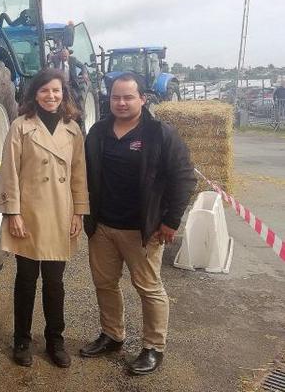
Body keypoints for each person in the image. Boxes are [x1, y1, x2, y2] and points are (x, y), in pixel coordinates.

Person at [79, 72, 196, 375]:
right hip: (102, 227)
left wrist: (170, 221)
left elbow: (184, 178)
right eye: (116, 97)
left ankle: (153, 347)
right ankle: (112, 335)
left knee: (148, 288)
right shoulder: (98, 131)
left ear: (143, 99)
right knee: (104, 284)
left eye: (128, 97)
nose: (121, 102)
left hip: (142, 230)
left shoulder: (160, 133)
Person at [0, 69, 89, 369]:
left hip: (61, 213)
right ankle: (22, 339)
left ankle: (55, 340)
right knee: (25, 280)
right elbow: (8, 171)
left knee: (54, 281)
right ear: (35, 94)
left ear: (64, 94)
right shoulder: (21, 127)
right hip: (29, 215)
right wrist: (12, 212)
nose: (51, 96)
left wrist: (79, 212)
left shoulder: (73, 129)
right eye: (45, 90)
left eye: (57, 91)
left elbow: (79, 174)